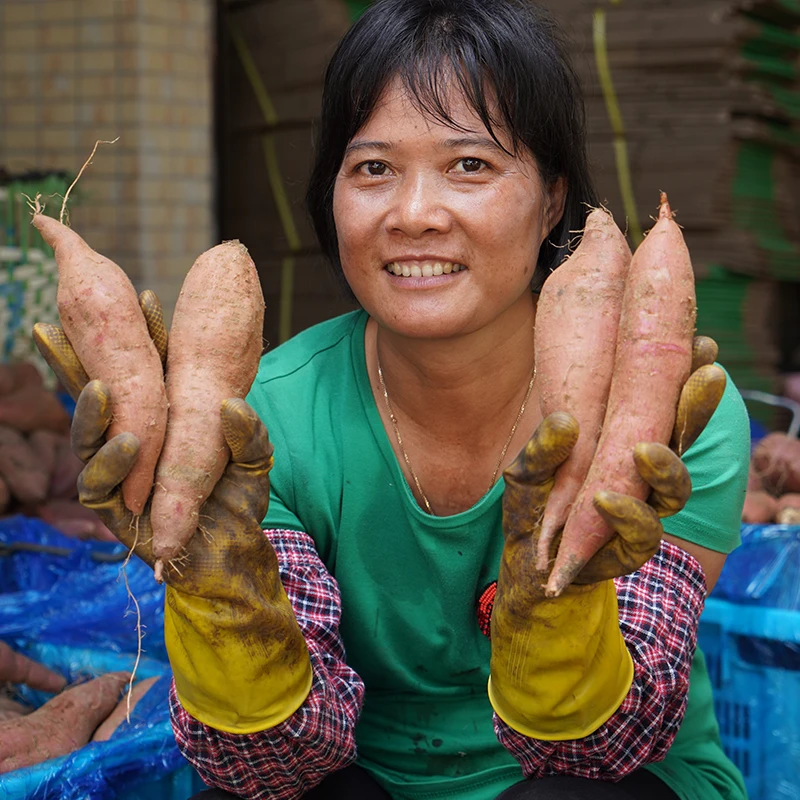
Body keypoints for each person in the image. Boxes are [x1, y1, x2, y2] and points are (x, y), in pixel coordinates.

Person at [37, 1, 751, 798]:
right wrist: (220, 599)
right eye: (373, 168)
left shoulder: (663, 410)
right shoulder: (258, 417)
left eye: (469, 166)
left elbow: (613, 746)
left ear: (552, 200)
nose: (414, 215)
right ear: (332, 194)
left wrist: (555, 606)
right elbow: (280, 764)